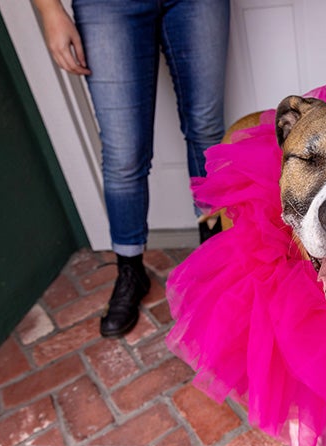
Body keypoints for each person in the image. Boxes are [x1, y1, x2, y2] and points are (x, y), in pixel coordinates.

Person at [33, 0, 230, 337]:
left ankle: (215, 261)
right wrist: (49, 10)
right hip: (107, 7)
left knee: (207, 132)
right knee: (123, 154)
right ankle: (130, 270)